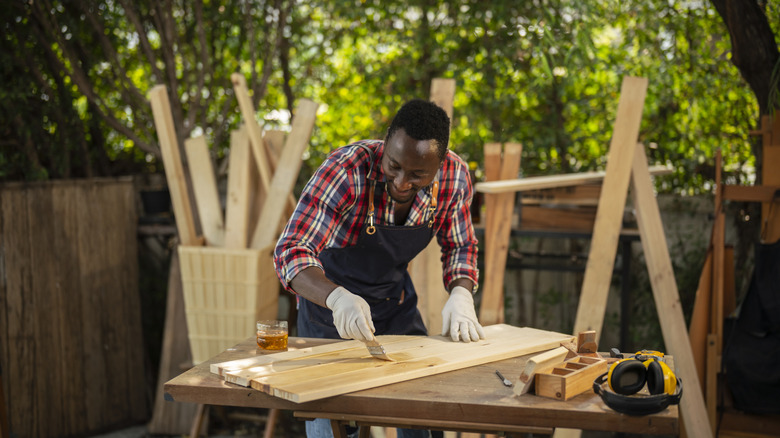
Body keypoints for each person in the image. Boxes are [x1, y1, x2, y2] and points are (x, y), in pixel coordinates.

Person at [273, 99, 485, 438]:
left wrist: (461, 293)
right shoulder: (344, 170)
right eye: (394, 166)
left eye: (418, 175)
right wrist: (337, 298)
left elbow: (460, 245)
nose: (401, 182)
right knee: (333, 416)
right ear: (385, 145)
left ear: (440, 165)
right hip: (329, 311)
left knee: (423, 407)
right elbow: (290, 251)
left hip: (394, 305)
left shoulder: (455, 177)